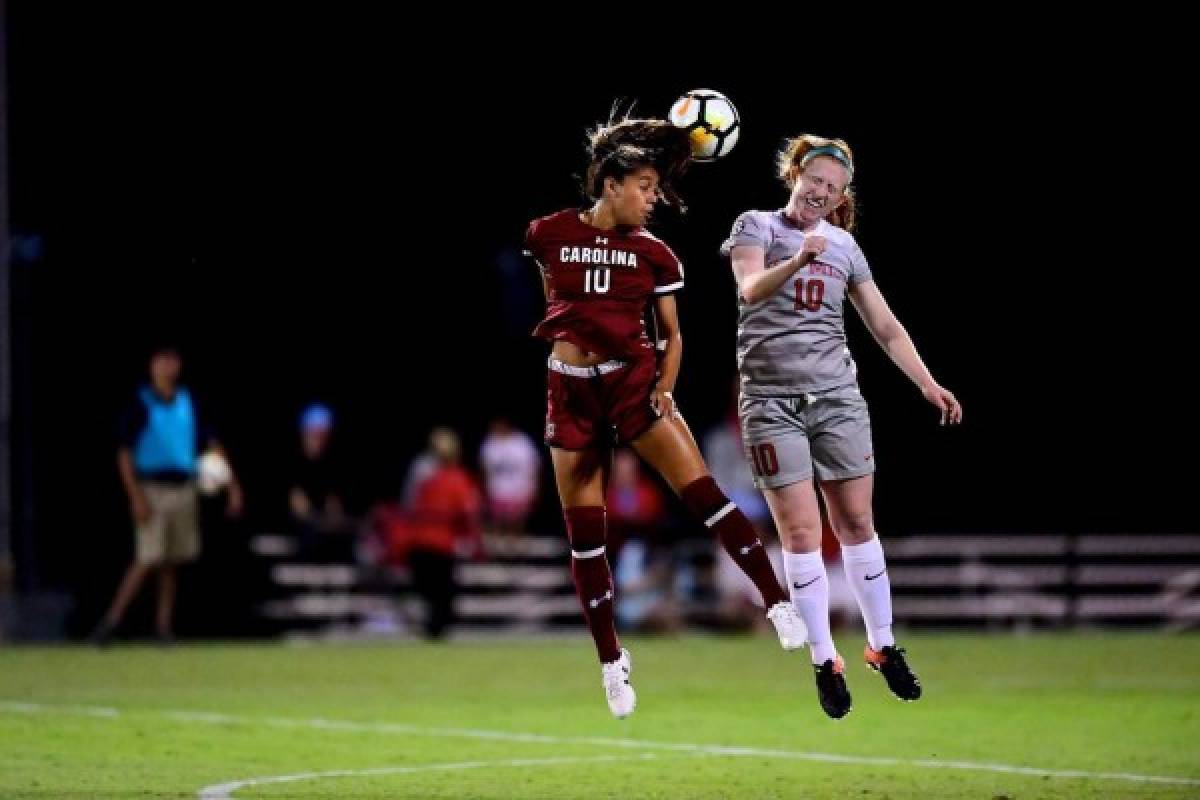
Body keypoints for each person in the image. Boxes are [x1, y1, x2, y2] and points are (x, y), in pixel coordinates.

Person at [524, 115, 805, 719]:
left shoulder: (654, 253)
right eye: (645, 186)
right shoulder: (546, 233)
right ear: (610, 183)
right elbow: (555, 303)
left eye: (656, 188)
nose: (653, 199)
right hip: (570, 392)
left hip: (632, 384)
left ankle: (776, 600)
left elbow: (672, 336)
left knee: (704, 494)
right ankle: (611, 664)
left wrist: (666, 388)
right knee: (586, 540)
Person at [722, 134, 962, 718]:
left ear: (840, 196)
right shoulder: (756, 226)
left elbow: (884, 326)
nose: (821, 193)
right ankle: (825, 659)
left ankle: (883, 644)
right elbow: (750, 289)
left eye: (832, 188)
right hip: (771, 403)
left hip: (836, 398)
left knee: (856, 521)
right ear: (795, 175)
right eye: (814, 180)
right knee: (800, 536)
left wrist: (926, 382)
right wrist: (798, 258)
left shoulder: (845, 248)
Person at [92, 345, 243, 645]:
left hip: (183, 487)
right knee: (146, 557)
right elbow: (124, 453)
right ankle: (111, 622)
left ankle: (163, 627)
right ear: (152, 366)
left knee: (172, 561)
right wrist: (135, 495)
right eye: (161, 361)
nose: (166, 367)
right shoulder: (141, 403)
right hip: (152, 488)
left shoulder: (189, 402)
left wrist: (232, 486)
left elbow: (212, 447)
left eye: (171, 361)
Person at [478, 417, 541, 535]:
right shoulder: (489, 443)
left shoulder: (522, 442)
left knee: (516, 525)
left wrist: (534, 488)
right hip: (496, 492)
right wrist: (484, 490)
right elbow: (484, 469)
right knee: (498, 526)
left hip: (519, 492)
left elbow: (533, 466)